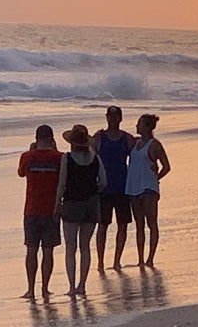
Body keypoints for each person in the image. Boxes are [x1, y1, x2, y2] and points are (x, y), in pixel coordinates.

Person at [54, 124, 106, 298]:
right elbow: (104, 182)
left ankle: (71, 286)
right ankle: (82, 284)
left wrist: (57, 204)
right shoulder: (95, 158)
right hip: (91, 204)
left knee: (71, 247)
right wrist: (93, 191)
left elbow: (62, 184)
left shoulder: (67, 158)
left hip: (72, 203)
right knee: (85, 247)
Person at [17, 124, 63, 300]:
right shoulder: (59, 157)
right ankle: (45, 288)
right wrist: (55, 149)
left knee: (31, 249)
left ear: (36, 139)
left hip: (31, 209)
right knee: (48, 250)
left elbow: (21, 173)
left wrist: (31, 151)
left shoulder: (27, 157)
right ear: (52, 139)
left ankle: (30, 288)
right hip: (51, 210)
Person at [92, 105, 136, 269]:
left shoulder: (128, 138)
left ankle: (117, 260)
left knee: (122, 225)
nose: (113, 119)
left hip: (123, 187)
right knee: (102, 225)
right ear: (106, 117)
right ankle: (100, 261)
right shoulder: (99, 137)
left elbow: (137, 160)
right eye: (110, 116)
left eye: (116, 116)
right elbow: (90, 158)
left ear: (120, 118)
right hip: (103, 188)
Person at [125, 113, 172, 267]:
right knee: (139, 224)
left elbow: (167, 166)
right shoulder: (135, 142)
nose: (137, 126)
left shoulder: (154, 144)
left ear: (147, 127)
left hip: (149, 187)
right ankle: (140, 259)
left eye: (139, 124)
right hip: (133, 187)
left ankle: (150, 258)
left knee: (151, 222)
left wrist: (156, 177)